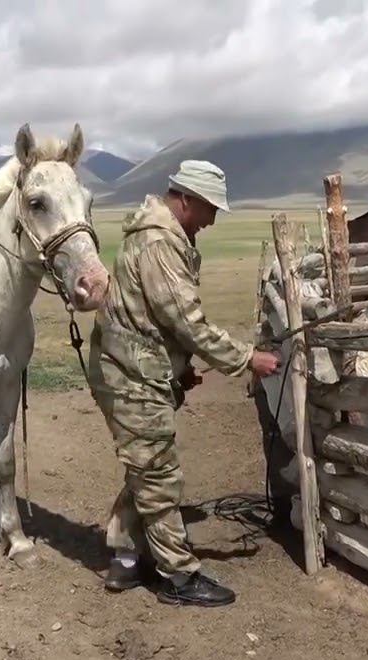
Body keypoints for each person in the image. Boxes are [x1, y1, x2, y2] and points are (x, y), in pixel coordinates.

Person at [85, 159, 283, 607]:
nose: (213, 220)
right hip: (132, 376)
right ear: (187, 199)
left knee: (145, 465)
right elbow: (187, 321)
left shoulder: (166, 236)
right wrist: (247, 358)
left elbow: (155, 319)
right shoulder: (159, 243)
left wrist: (178, 368)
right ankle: (178, 576)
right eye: (211, 208)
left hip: (140, 368)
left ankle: (127, 556)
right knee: (157, 473)